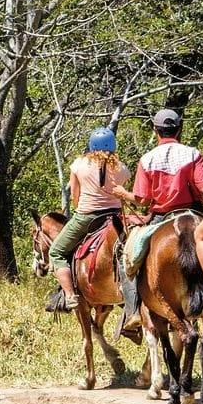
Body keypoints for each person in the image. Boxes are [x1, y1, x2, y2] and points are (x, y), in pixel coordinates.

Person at [120, 107, 203, 340]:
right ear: (180, 129)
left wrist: (123, 194)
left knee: (130, 258)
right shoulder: (192, 154)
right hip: (194, 213)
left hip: (161, 217)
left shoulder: (147, 159)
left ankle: (134, 312)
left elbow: (143, 199)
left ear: (155, 131)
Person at [45, 127, 137, 314]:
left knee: (56, 251)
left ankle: (70, 295)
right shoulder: (122, 168)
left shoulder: (79, 164)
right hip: (116, 217)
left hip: (87, 217)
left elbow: (75, 196)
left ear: (91, 145)